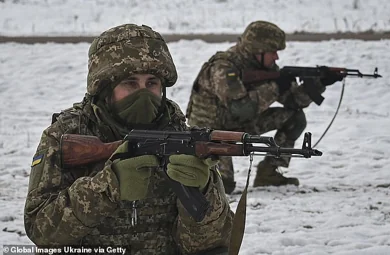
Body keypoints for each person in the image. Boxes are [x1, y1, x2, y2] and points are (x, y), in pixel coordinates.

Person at [24, 24, 233, 255]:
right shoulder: (67, 135)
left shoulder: (180, 136)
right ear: (105, 89)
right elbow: (40, 231)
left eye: (151, 83)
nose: (143, 94)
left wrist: (202, 191)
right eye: (130, 83)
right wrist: (107, 185)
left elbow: (213, 245)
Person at [186, 21, 342, 194]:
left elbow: (293, 101)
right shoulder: (224, 67)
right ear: (257, 50)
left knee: (294, 118)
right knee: (224, 187)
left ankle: (269, 173)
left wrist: (319, 83)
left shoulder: (264, 66)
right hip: (210, 132)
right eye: (273, 52)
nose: (276, 57)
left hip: (239, 124)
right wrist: (275, 87)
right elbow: (241, 109)